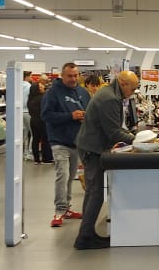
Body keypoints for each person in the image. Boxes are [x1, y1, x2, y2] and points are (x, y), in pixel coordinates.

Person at [74, 70, 139, 250]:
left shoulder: (109, 93)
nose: (133, 92)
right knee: (96, 193)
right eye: (133, 89)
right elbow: (114, 132)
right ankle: (85, 238)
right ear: (123, 84)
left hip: (90, 146)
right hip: (92, 149)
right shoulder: (110, 98)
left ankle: (86, 232)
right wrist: (138, 140)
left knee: (92, 192)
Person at [42, 62, 90, 228]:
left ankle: (67, 208)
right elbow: (46, 115)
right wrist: (70, 116)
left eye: (76, 75)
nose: (73, 79)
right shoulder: (52, 93)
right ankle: (59, 210)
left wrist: (85, 117)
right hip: (59, 141)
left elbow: (89, 111)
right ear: (62, 76)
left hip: (76, 142)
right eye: (69, 76)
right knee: (62, 175)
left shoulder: (83, 92)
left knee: (70, 177)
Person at [27, 73, 53, 163]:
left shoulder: (30, 99)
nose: (43, 88)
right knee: (45, 139)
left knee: (35, 139)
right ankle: (46, 158)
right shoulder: (43, 98)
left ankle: (36, 159)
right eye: (41, 87)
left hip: (33, 120)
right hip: (42, 121)